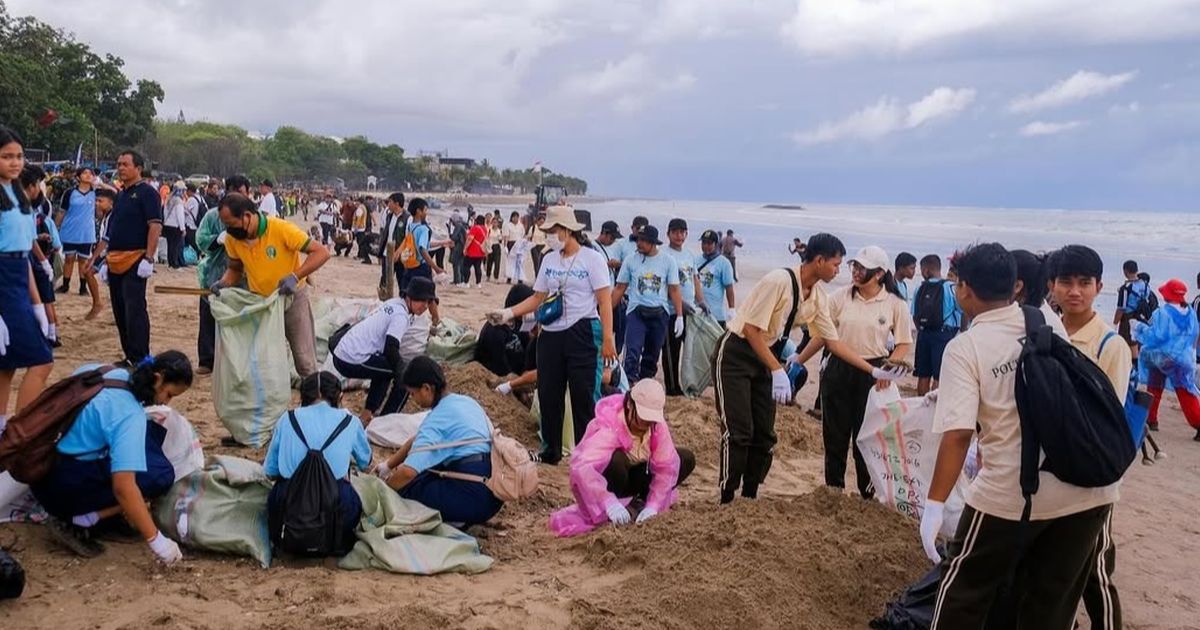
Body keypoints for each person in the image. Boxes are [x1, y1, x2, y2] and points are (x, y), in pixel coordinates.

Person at [921, 242, 1117, 629]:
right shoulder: (1045, 321)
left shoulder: (966, 347)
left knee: (962, 590)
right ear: (1014, 287)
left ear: (964, 289)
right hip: (1090, 488)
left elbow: (959, 436)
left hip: (1014, 489)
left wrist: (934, 505)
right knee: (1048, 604)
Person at [713, 233, 905, 504]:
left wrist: (872, 371)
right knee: (739, 429)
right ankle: (727, 496)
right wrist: (777, 371)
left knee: (765, 434)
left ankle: (749, 495)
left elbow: (833, 342)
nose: (840, 270)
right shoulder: (779, 281)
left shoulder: (817, 297)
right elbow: (751, 330)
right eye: (836, 264)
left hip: (767, 357)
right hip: (737, 353)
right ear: (819, 260)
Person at [31, 351, 193, 563]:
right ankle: (82, 520)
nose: (167, 403)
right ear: (158, 378)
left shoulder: (104, 371)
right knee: (160, 475)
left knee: (146, 440)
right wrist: (157, 541)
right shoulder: (129, 414)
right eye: (169, 395)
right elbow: (123, 487)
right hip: (61, 489)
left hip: (42, 465)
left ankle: (98, 514)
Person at [486, 206, 616, 464]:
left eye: (553, 231)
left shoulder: (592, 259)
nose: (549, 236)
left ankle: (588, 454)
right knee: (548, 393)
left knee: (584, 394)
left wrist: (608, 338)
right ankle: (551, 451)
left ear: (568, 231)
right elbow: (537, 298)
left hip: (584, 331)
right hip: (551, 334)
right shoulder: (549, 260)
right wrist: (508, 313)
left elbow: (604, 301)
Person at [1045, 244, 1130, 630]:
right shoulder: (1045, 334)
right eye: (1066, 282)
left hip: (1093, 477)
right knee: (1052, 567)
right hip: (1049, 473)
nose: (1074, 291)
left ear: (1099, 287)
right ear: (1052, 285)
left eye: (1084, 283)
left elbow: (1110, 421)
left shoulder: (1110, 345)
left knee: (1094, 569)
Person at [800, 246, 913, 499]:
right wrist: (798, 359)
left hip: (873, 374)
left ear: (879, 274)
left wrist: (888, 368)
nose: (856, 272)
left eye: (862, 268)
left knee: (867, 436)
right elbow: (822, 335)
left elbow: (904, 342)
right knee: (835, 434)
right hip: (838, 369)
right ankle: (834, 490)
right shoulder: (840, 297)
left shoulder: (895, 304)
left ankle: (868, 493)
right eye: (854, 266)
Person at [548, 379, 696, 536]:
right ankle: (617, 505)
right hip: (614, 480)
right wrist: (608, 502)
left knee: (684, 458)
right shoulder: (611, 426)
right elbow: (583, 467)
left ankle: (640, 503)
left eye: (650, 421)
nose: (645, 425)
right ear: (629, 405)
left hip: (639, 476)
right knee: (617, 461)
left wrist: (653, 505)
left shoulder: (656, 427)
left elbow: (666, 467)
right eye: (642, 419)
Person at [210, 192, 330, 377]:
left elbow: (321, 252)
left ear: (247, 216)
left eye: (231, 225)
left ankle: (312, 399)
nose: (229, 230)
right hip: (262, 303)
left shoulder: (281, 229)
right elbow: (235, 268)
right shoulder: (232, 239)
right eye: (226, 226)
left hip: (292, 299)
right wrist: (224, 283)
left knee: (305, 360)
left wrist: (295, 276)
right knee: (264, 360)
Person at [374, 357, 504, 526]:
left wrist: (385, 490)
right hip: (495, 491)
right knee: (428, 472)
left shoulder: (437, 420)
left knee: (408, 487)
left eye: (413, 393)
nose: (413, 399)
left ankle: (456, 520)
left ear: (427, 388)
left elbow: (407, 473)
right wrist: (388, 466)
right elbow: (417, 440)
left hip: (475, 498)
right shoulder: (466, 402)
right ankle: (460, 512)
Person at [264, 371, 370, 556]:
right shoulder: (350, 422)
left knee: (276, 494)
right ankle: (338, 543)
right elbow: (365, 461)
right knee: (353, 496)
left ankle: (282, 542)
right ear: (340, 397)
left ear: (302, 397)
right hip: (336, 506)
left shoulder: (287, 419)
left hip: (290, 504)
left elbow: (270, 471)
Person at [86, 150, 161, 367]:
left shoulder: (147, 193)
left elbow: (155, 225)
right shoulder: (120, 195)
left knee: (134, 309)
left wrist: (148, 258)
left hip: (136, 259)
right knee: (119, 309)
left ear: (138, 168)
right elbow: (113, 229)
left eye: (125, 164)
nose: (120, 168)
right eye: (118, 164)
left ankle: (141, 357)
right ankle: (129, 355)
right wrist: (104, 260)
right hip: (115, 259)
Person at [0, 126, 53, 419]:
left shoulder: (18, 193)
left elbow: (22, 254)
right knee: (42, 360)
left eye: (19, 156)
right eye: (6, 156)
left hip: (19, 277)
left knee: (6, 366)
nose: (15, 162)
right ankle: (21, 432)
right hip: (3, 283)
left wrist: (37, 305)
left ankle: (6, 434)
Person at [332, 276, 436, 421]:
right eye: (421, 300)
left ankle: (367, 415)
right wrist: (403, 371)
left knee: (385, 369)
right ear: (409, 297)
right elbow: (391, 348)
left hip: (342, 352)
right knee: (405, 377)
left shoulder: (393, 303)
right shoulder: (401, 315)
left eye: (428, 301)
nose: (424, 305)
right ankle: (388, 419)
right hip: (353, 358)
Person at [612, 225, 683, 384]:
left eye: (644, 241)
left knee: (652, 355)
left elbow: (674, 289)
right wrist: (606, 312)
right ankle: (629, 383)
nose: (639, 243)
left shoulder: (668, 261)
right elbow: (619, 288)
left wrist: (679, 316)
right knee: (632, 352)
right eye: (638, 239)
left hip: (659, 313)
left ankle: (645, 383)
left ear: (653, 243)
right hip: (636, 312)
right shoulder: (631, 260)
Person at [194, 175, 247, 375]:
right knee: (208, 316)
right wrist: (218, 239)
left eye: (244, 193)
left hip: (243, 279)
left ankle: (234, 361)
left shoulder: (252, 216)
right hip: (213, 273)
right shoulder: (212, 216)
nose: (241, 197)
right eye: (237, 193)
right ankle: (207, 360)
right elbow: (200, 239)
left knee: (238, 319)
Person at [1135, 278, 1200, 438]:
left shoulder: (1162, 313)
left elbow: (1157, 335)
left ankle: (1152, 420)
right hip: (1182, 359)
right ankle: (1197, 423)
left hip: (1161, 357)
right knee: (1185, 393)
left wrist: (1139, 328)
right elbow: (1194, 334)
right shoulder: (1190, 312)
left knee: (1154, 387)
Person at [20, 165, 63, 348]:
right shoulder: (24, 209)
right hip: (24, 259)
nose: (40, 188)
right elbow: (29, 239)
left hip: (30, 258)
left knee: (41, 298)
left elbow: (30, 238)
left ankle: (49, 332)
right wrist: (44, 261)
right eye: (38, 184)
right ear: (31, 186)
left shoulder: (33, 210)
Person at [661, 218, 704, 396]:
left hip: (690, 312)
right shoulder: (664, 255)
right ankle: (672, 387)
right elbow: (665, 285)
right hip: (671, 311)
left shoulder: (689, 255)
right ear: (668, 234)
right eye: (675, 232)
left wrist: (701, 301)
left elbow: (695, 279)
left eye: (682, 232)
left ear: (686, 234)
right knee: (672, 351)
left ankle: (692, 384)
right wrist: (679, 304)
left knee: (692, 351)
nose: (679, 236)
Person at [912, 254, 962, 396]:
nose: (921, 273)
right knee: (940, 376)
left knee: (923, 375)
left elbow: (915, 315)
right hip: (944, 335)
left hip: (923, 335)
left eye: (922, 270)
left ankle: (922, 404)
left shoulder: (918, 289)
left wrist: (922, 330)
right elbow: (962, 310)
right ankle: (935, 408)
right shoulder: (951, 287)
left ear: (927, 270)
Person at [55, 166, 99, 298]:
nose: (88, 175)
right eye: (84, 173)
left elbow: (114, 193)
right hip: (69, 230)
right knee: (69, 258)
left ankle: (83, 287)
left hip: (86, 232)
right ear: (78, 177)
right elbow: (62, 211)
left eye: (90, 173)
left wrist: (99, 184)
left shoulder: (96, 193)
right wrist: (55, 227)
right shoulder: (70, 193)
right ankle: (65, 285)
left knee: (83, 260)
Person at [591, 220, 628, 352]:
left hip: (613, 294)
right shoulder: (592, 247)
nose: (613, 241)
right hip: (599, 296)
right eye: (612, 237)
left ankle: (616, 353)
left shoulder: (614, 248)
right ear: (605, 234)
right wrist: (606, 265)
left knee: (618, 328)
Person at [695, 229, 737, 327]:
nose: (706, 246)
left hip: (716, 315)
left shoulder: (724, 263)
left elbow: (729, 288)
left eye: (709, 243)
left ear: (716, 244)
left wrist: (732, 309)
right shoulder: (695, 260)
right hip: (697, 314)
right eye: (704, 243)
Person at [1114, 259, 1151, 348]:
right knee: (1139, 342)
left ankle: (1131, 361)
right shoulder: (1145, 285)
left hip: (1128, 318)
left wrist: (1115, 323)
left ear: (1125, 271)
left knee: (1127, 344)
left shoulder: (1125, 288)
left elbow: (1121, 308)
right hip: (1142, 317)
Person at [378, 192, 407, 298]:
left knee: (402, 281)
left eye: (390, 202)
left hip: (401, 256)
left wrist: (398, 252)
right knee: (384, 280)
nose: (388, 204)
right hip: (387, 254)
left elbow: (407, 238)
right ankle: (383, 302)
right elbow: (386, 235)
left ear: (397, 203)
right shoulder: (389, 216)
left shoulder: (407, 218)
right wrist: (380, 253)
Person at [162, 182, 187, 269]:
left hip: (168, 225)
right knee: (175, 245)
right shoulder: (179, 201)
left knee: (170, 245)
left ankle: (170, 263)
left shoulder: (169, 199)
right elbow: (180, 215)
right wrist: (183, 228)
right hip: (176, 226)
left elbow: (165, 212)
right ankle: (175, 264)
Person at [464, 215, 488, 287]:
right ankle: (478, 283)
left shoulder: (474, 228)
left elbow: (470, 239)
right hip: (480, 251)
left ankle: (466, 283)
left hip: (472, 251)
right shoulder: (485, 229)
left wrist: (465, 248)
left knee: (466, 267)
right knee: (478, 267)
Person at [485, 214, 502, 282]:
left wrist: (501, 238)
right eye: (494, 222)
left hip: (497, 246)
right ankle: (488, 276)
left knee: (497, 263)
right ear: (492, 223)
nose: (495, 224)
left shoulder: (499, 230)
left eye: (496, 222)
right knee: (489, 262)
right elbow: (487, 238)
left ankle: (496, 277)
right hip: (490, 246)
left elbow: (500, 240)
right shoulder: (489, 230)